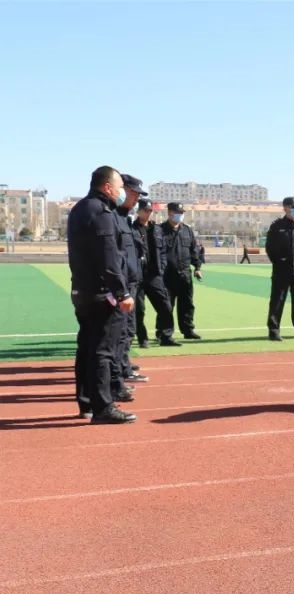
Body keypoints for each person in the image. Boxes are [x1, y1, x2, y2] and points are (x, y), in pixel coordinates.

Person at [67, 166, 136, 424]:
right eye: (119, 187)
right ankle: (103, 406)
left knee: (86, 347)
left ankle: (86, 402)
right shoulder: (102, 213)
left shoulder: (80, 209)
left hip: (82, 290)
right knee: (103, 351)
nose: (121, 192)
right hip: (101, 293)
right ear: (107, 187)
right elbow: (109, 258)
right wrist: (122, 292)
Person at [115, 175, 149, 387]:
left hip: (132, 283)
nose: (137, 199)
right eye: (134, 193)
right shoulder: (113, 217)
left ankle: (124, 366)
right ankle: (119, 372)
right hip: (122, 286)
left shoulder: (124, 218)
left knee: (128, 328)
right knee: (122, 331)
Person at [265, 196, 294, 341]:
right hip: (282, 270)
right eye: (292, 207)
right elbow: (269, 248)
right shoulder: (277, 226)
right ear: (285, 208)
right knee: (277, 301)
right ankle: (274, 331)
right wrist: (279, 262)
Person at [132, 199, 174, 348]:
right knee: (139, 310)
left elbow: (163, 251)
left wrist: (161, 267)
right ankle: (142, 338)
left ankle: (165, 336)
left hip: (154, 274)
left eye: (150, 211)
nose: (148, 213)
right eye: (146, 210)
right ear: (139, 211)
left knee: (165, 306)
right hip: (137, 275)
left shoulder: (157, 229)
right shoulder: (131, 229)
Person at [159, 202, 203, 340]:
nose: (180, 215)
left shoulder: (187, 230)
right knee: (166, 306)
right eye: (177, 213)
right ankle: (163, 332)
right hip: (167, 275)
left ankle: (188, 330)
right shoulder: (160, 230)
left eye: (181, 213)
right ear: (169, 213)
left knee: (187, 304)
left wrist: (197, 267)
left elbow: (194, 250)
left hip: (185, 274)